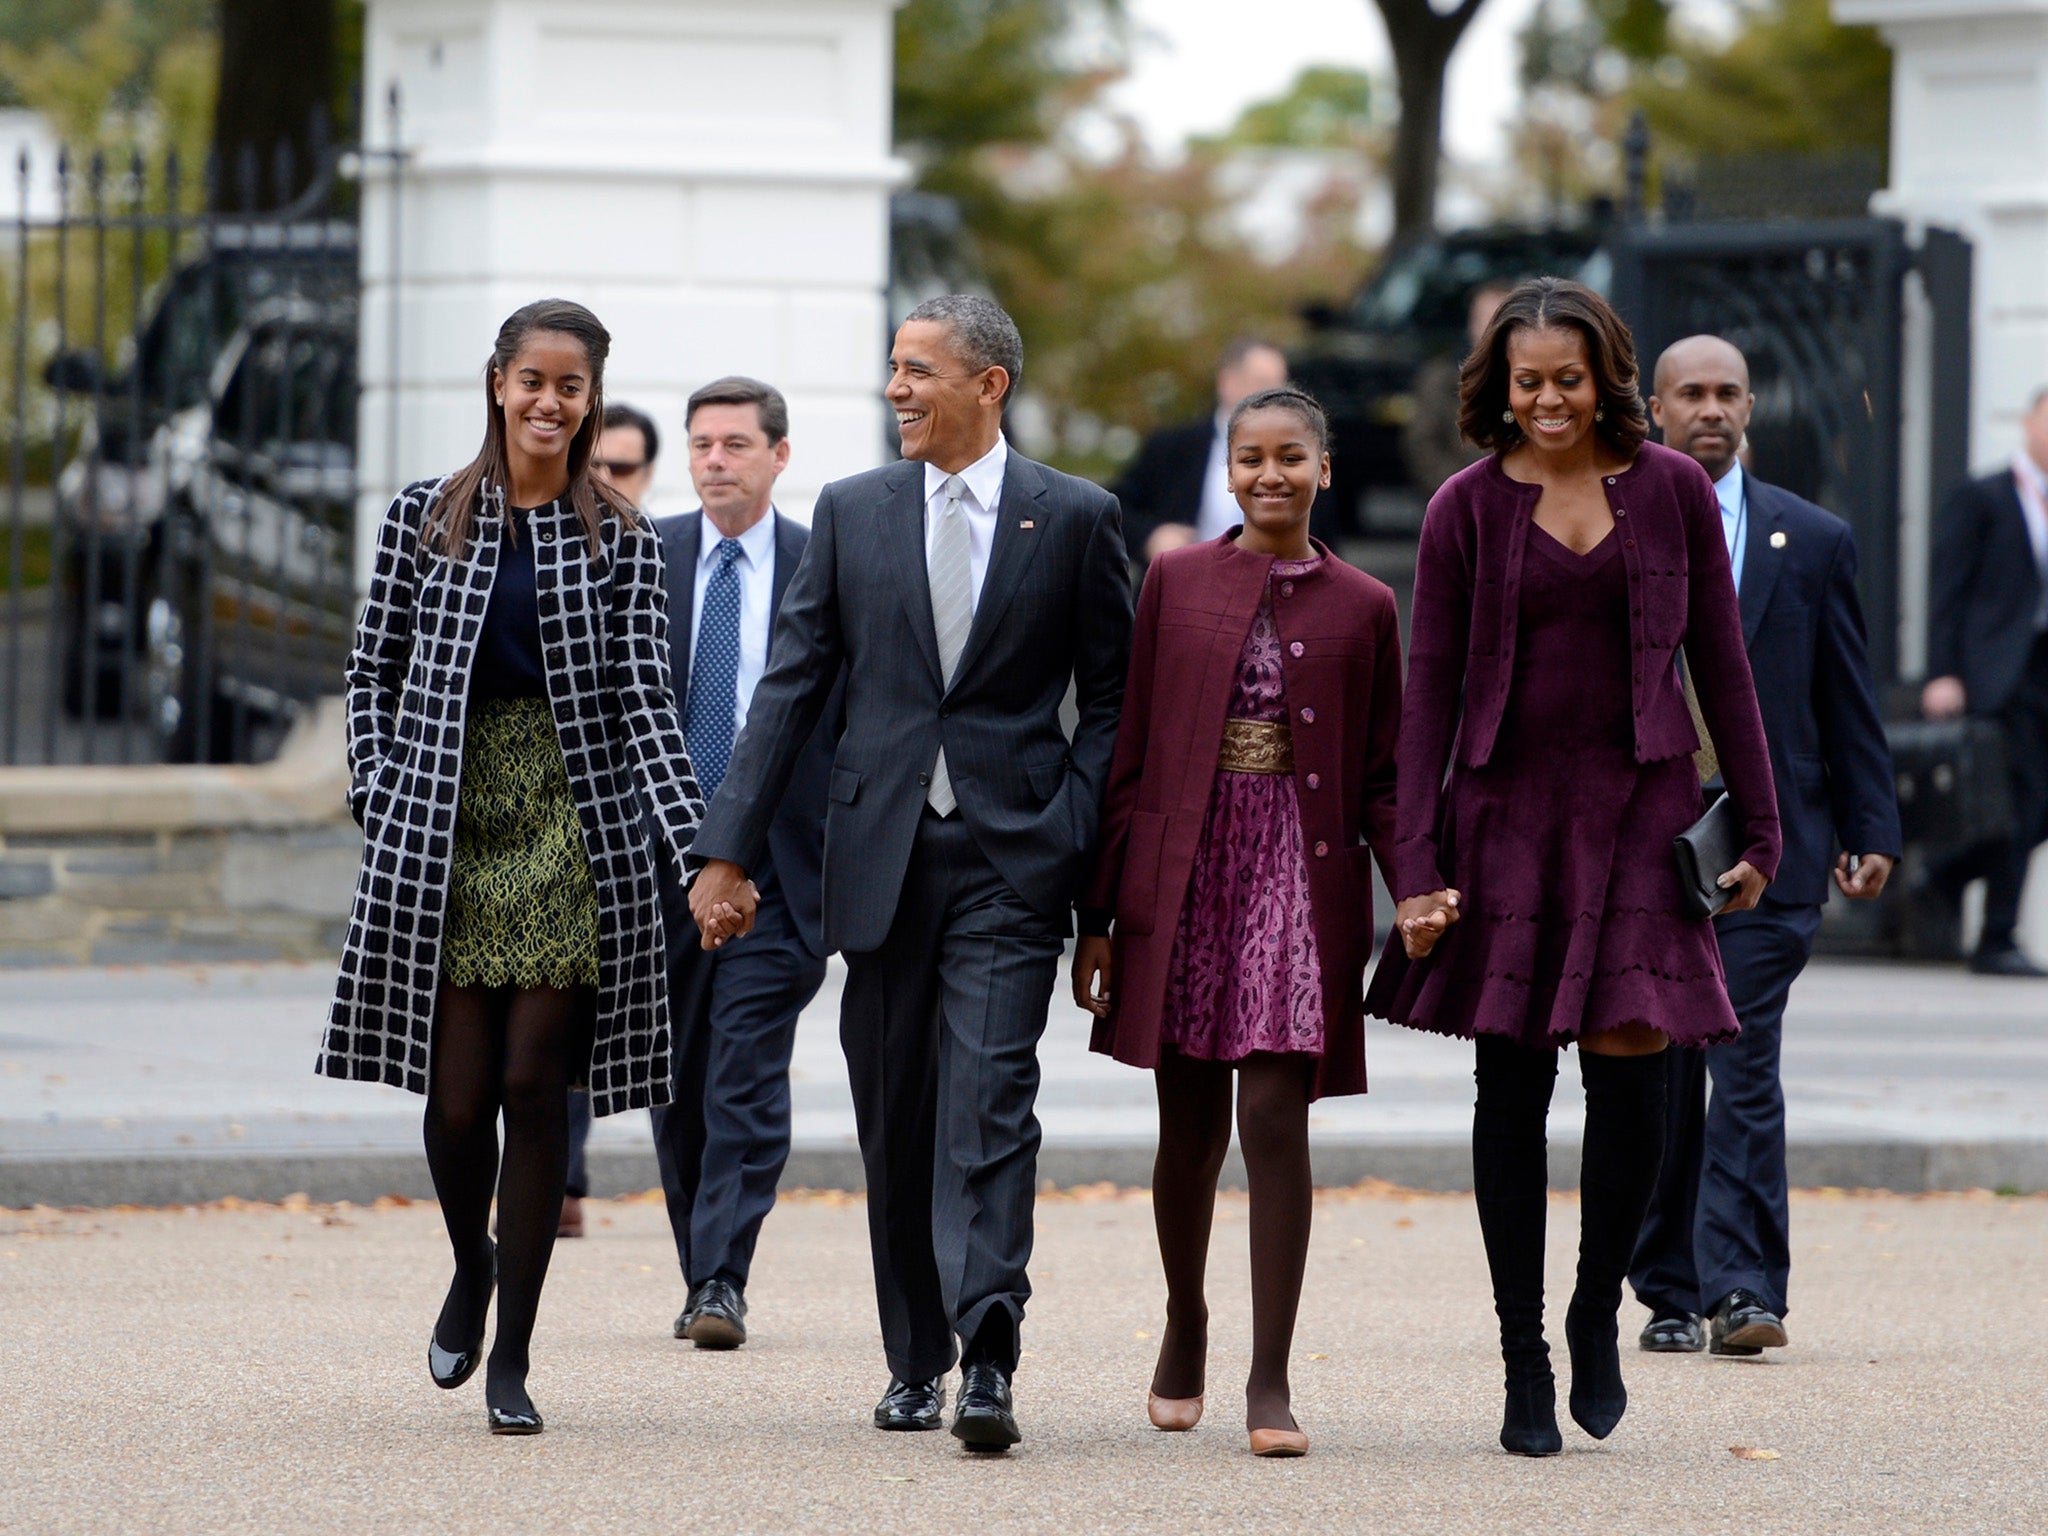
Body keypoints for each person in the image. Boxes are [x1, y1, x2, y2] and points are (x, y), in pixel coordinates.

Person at [687, 295, 1134, 1453]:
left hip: (1009, 858)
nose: (896, 388)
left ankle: (987, 1352)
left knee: (989, 1105)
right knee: (896, 1120)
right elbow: (788, 688)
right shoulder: (851, 512)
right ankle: (913, 1359)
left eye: (918, 370)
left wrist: (1076, 840)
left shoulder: (1074, 516)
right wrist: (725, 849)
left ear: (987, 385)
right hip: (877, 860)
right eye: (892, 367)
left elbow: (1114, 702)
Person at [1365, 277, 1781, 1457]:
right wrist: (1416, 866)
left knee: (1630, 1079)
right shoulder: (1460, 508)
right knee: (1510, 1092)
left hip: (1642, 816)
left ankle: (1598, 1310)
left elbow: (1722, 664)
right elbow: (1427, 693)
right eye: (1525, 382)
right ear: (1497, 389)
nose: (1547, 401)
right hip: (1502, 820)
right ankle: (1520, 1359)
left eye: (1566, 379)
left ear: (1607, 377)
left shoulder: (1674, 493)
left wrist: (1759, 827)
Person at [320, 298, 708, 1436]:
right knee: (454, 1103)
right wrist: (374, 788)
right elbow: (368, 670)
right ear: (498, 382)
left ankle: (515, 1357)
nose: (549, 402)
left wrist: (696, 846)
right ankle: (471, 1266)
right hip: (442, 817)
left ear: (590, 400)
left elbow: (649, 701)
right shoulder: (422, 517)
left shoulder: (621, 535)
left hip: (571, 824)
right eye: (531, 380)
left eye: (570, 386)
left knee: (537, 1087)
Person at [1073, 386, 1402, 1458]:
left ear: (1322, 467)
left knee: (1272, 1115)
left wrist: (1421, 884)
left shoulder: (1364, 603)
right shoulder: (1171, 577)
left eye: (1289, 457)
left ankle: (1270, 1374)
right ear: (1227, 469)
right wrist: (1102, 916)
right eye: (1249, 457)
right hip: (1188, 871)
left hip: (1298, 877)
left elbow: (1389, 775)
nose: (1269, 475)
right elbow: (1126, 752)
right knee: (1188, 1127)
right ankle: (1184, 1320)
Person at [1628, 335, 1901, 1359]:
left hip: (1770, 849)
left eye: (1726, 393)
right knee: (1659, 1064)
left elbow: (1845, 692)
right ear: (1654, 408)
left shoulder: (1812, 538)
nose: (1710, 409)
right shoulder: (1611, 526)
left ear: (1749, 407)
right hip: (1646, 852)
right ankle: (1664, 1286)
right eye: (1689, 393)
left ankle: (1742, 1289)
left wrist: (1870, 824)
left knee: (1737, 1055)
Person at [648, 377, 834, 1350]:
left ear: (777, 456)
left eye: (734, 444)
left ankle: (723, 1277)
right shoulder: (647, 557)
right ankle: (698, 1267)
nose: (714, 459)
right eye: (701, 444)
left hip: (781, 873)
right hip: (658, 870)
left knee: (745, 1075)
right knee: (675, 1081)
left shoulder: (820, 564)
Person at [554, 399, 669, 1241]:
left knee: (603, 1025)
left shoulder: (650, 554)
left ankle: (568, 1178)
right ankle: (560, 1177)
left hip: (653, 822)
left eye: (621, 469)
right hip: (549, 822)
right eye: (594, 466)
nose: (605, 482)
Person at [1917, 385, 2048, 976]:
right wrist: (1944, 671)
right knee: (2015, 809)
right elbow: (1948, 591)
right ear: (2029, 421)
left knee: (2035, 811)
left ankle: (1942, 879)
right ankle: (1997, 938)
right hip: (1999, 679)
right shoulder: (1984, 496)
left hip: (2045, 674)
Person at [1113, 338, 1290, 563]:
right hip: (1184, 588)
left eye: (1280, 386)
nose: (1276, 398)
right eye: (1262, 383)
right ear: (1227, 382)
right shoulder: (1172, 447)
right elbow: (1114, 508)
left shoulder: (1300, 460)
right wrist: (1150, 537)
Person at [1403, 280, 1516, 496]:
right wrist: (1463, 490)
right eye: (1481, 318)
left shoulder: (1534, 381)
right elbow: (1421, 444)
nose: (1487, 328)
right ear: (1470, 323)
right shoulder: (1440, 378)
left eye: (1497, 319)